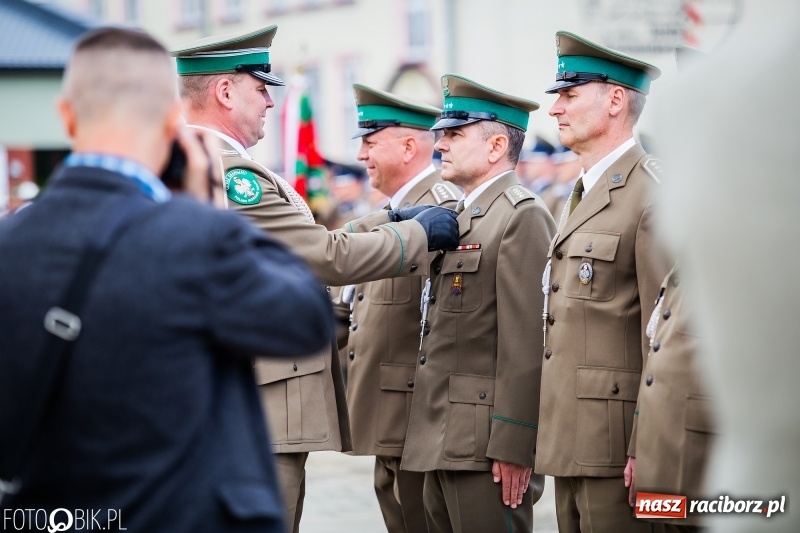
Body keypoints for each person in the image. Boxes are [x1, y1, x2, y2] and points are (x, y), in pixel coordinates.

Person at [0, 27, 334, 533]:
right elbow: (306, 317)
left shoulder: (12, 239)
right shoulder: (195, 236)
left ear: (66, 116)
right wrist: (213, 213)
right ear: (168, 120)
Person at [172, 25, 459, 532]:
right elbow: (322, 256)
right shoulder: (231, 174)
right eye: (260, 90)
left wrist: (384, 223)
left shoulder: (192, 161)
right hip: (258, 403)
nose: (269, 104)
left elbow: (293, 242)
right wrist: (415, 236)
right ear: (223, 92)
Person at [399, 74, 556, 533]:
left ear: (495, 147)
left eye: (454, 134)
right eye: (441, 134)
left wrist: (514, 443)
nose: (440, 144)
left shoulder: (520, 215)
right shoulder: (461, 216)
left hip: (485, 445)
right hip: (440, 433)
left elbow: (527, 342)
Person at [534, 31, 673, 532]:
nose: (555, 109)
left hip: (619, 450)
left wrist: (648, 445)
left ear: (616, 100)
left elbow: (664, 336)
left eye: (570, 95)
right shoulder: (584, 191)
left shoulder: (650, 193)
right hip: (570, 440)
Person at [341, 83, 459, 533]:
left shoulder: (441, 213)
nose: (361, 156)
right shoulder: (392, 213)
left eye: (370, 143)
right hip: (386, 416)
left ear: (409, 146)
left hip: (417, 418)